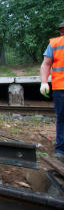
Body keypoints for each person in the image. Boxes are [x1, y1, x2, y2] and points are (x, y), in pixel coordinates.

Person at [40, 22, 64, 161]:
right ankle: (61, 149)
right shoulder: (55, 44)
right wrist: (44, 81)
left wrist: (44, 82)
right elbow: (46, 64)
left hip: (60, 88)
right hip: (60, 87)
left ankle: (61, 150)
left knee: (62, 119)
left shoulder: (54, 43)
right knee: (62, 118)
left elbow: (46, 64)